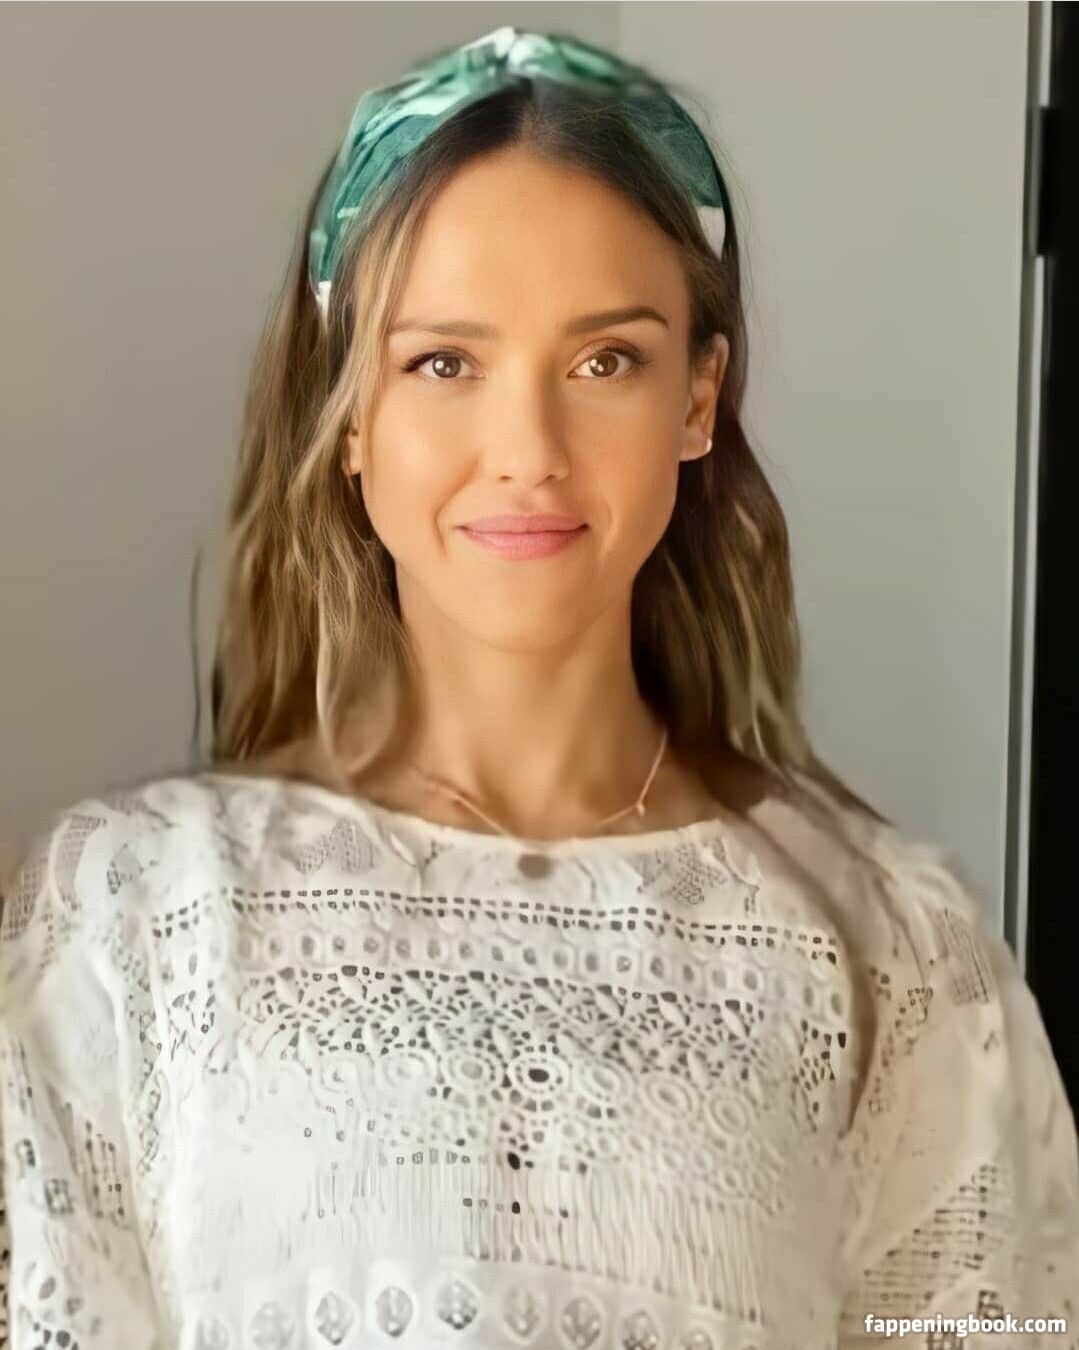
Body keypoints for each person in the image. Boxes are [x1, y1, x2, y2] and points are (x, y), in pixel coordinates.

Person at [1, 24, 1076, 1350]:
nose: (528, 451)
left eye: (604, 360)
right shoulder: (132, 910)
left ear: (699, 398)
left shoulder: (896, 953)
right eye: (444, 362)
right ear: (349, 413)